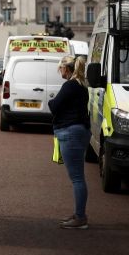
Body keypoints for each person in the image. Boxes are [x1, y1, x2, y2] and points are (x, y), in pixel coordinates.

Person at [48, 55, 90, 230]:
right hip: (80, 130)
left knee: (77, 178)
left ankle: (80, 217)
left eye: (60, 69)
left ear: (66, 68)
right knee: (78, 177)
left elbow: (54, 106)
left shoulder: (69, 86)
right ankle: (79, 213)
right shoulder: (81, 86)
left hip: (70, 132)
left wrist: (51, 100)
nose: (60, 72)